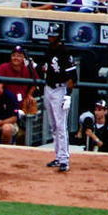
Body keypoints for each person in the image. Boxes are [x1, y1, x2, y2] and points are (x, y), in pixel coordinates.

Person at [40, 22, 76, 172]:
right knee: (53, 126)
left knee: (61, 126)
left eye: (53, 35)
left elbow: (72, 76)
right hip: (48, 88)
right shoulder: (48, 50)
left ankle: (64, 160)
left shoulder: (64, 52)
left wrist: (68, 96)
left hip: (60, 90)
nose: (50, 38)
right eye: (49, 35)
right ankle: (58, 157)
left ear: (58, 36)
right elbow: (47, 68)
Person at [0, 45, 38, 115]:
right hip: (7, 102)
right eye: (14, 56)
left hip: (23, 101)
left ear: (23, 58)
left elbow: (36, 82)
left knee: (32, 103)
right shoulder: (3, 67)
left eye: (19, 56)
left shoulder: (28, 67)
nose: (16, 58)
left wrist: (29, 95)